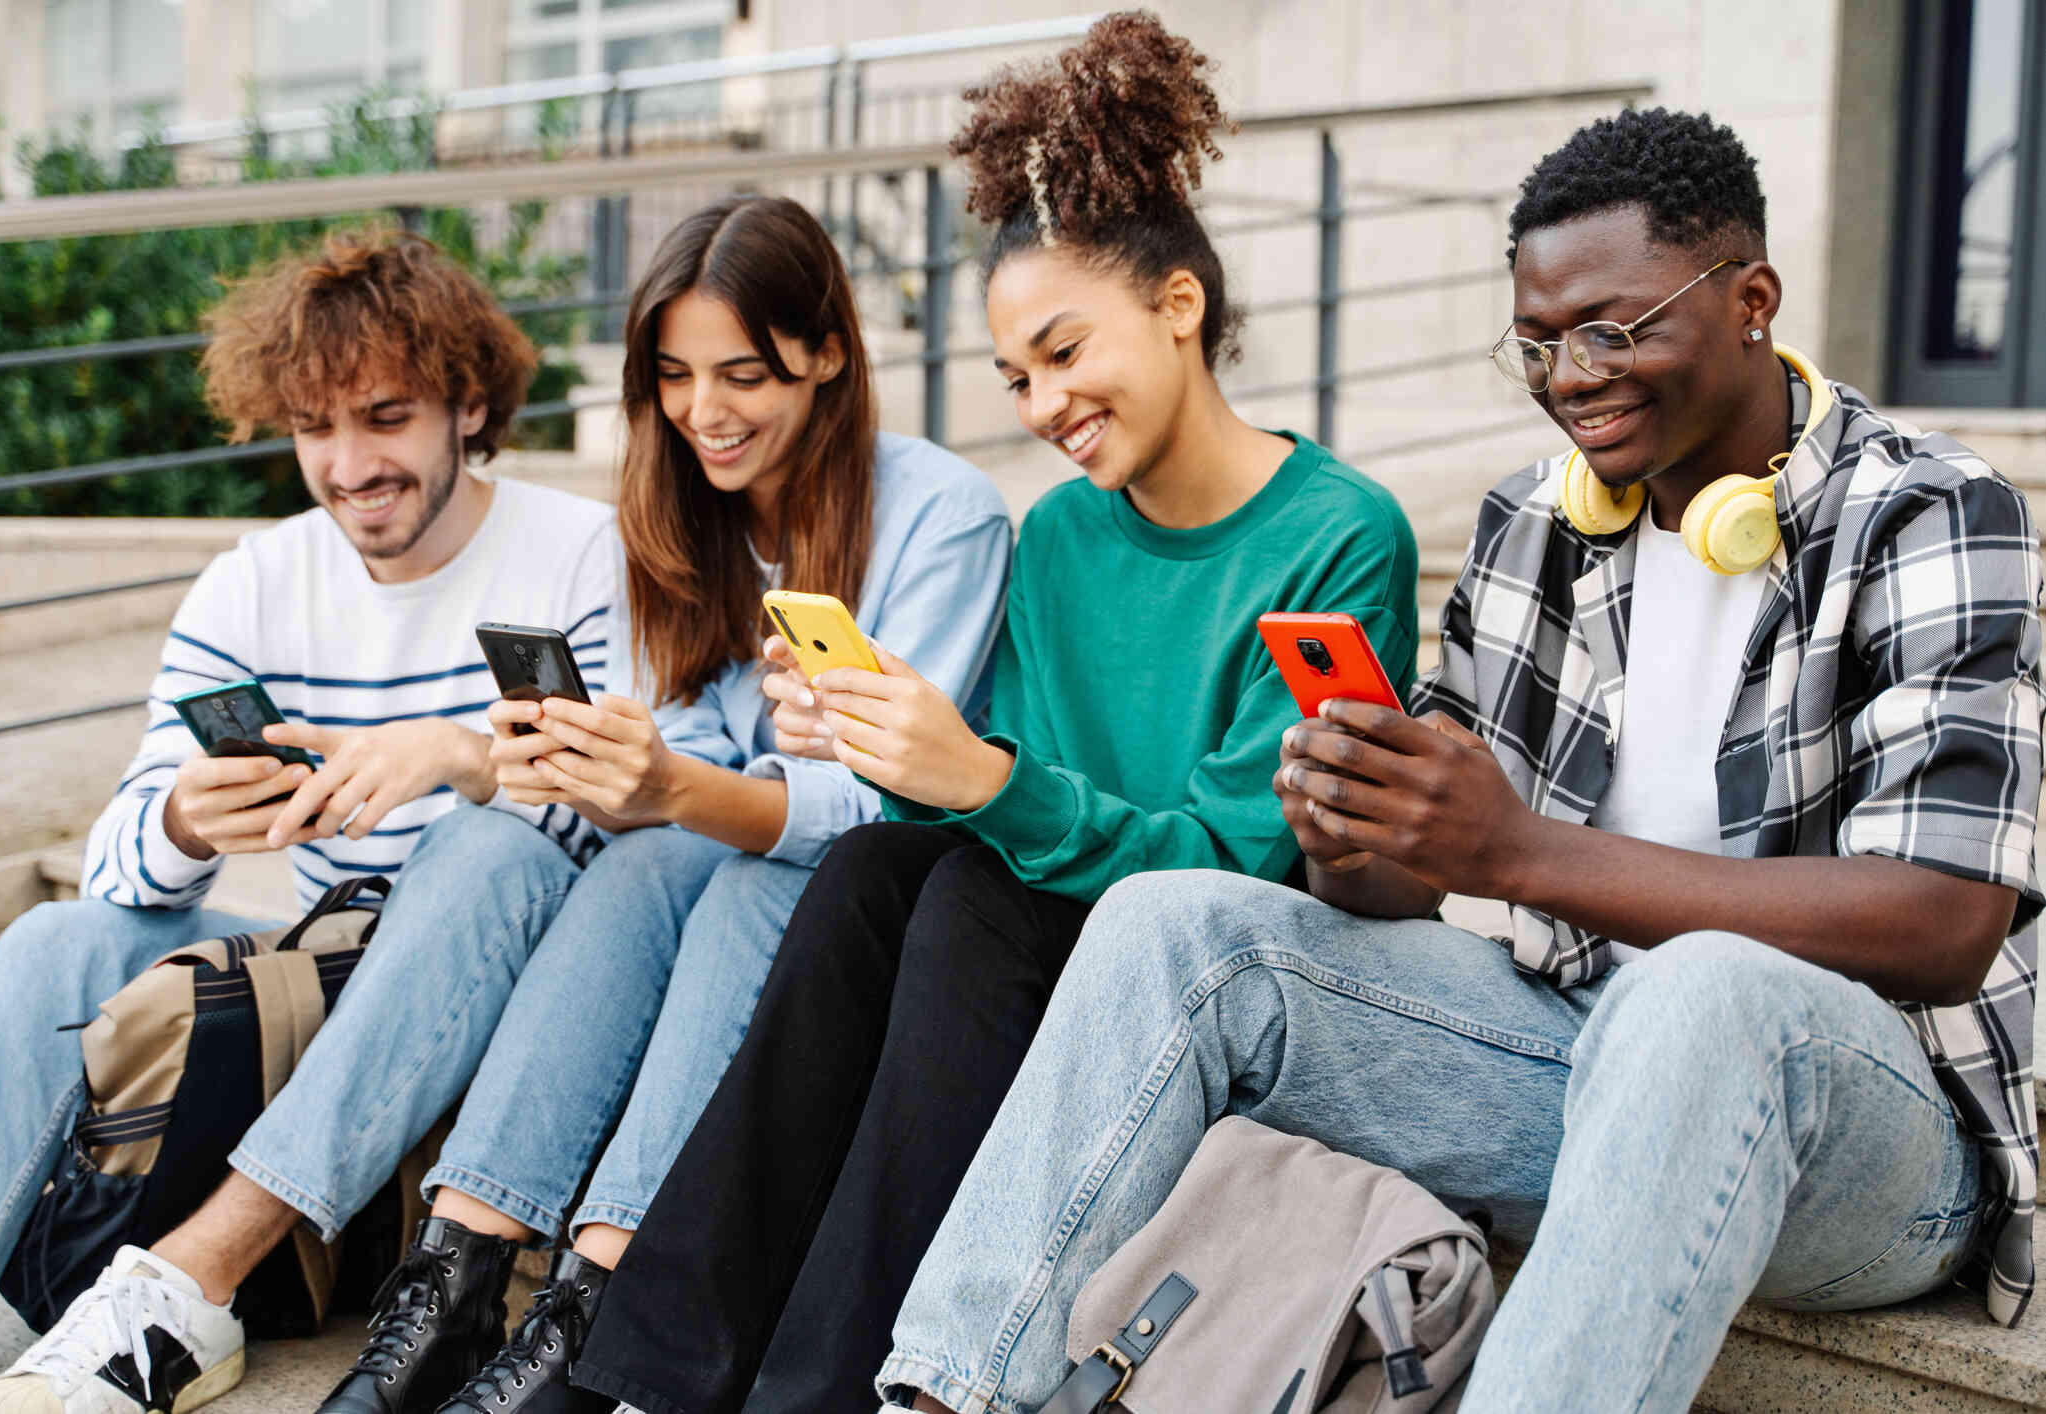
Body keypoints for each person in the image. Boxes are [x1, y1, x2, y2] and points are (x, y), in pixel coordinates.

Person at [876, 107, 2043, 1414]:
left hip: (1881, 1145)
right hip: (1571, 1055)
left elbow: (1942, 917)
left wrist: (1522, 851)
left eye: (1612, 328)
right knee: (1177, 925)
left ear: (1752, 300)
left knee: (1705, 992)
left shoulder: (1931, 507)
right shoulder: (1535, 522)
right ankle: (949, 1391)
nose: (1572, 375)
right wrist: (1360, 821)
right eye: (1537, 344)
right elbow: (1390, 902)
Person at [567, 15, 1422, 1414]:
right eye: (1015, 376)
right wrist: (876, 743)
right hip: (1046, 936)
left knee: (964, 898)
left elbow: (1234, 866)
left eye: (1062, 350)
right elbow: (1004, 796)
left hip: (1215, 959)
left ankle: (818, 1391)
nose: (1041, 402)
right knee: (865, 870)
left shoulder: (1340, 536)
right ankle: (656, 1380)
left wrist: (974, 779)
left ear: (1180, 307)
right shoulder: (1065, 536)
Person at [312, 194, 1011, 1414]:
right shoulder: (672, 510)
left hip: (884, 908)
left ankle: (598, 1304)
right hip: (703, 876)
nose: (704, 413)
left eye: (744, 373)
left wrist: (684, 787)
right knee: (632, 859)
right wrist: (585, 764)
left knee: (740, 872)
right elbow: (677, 748)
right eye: (676, 376)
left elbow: (889, 811)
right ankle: (457, 1279)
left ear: (829, 352)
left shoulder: (943, 514)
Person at [0, 228, 620, 1413]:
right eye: (317, 428)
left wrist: (464, 761)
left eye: (385, 415)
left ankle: (186, 1288)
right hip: (315, 985)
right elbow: (118, 864)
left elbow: (622, 836)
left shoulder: (577, 553)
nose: (351, 463)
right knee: (58, 940)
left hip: (500, 1006)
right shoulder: (253, 582)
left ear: (467, 403)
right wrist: (187, 825)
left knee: (488, 843)